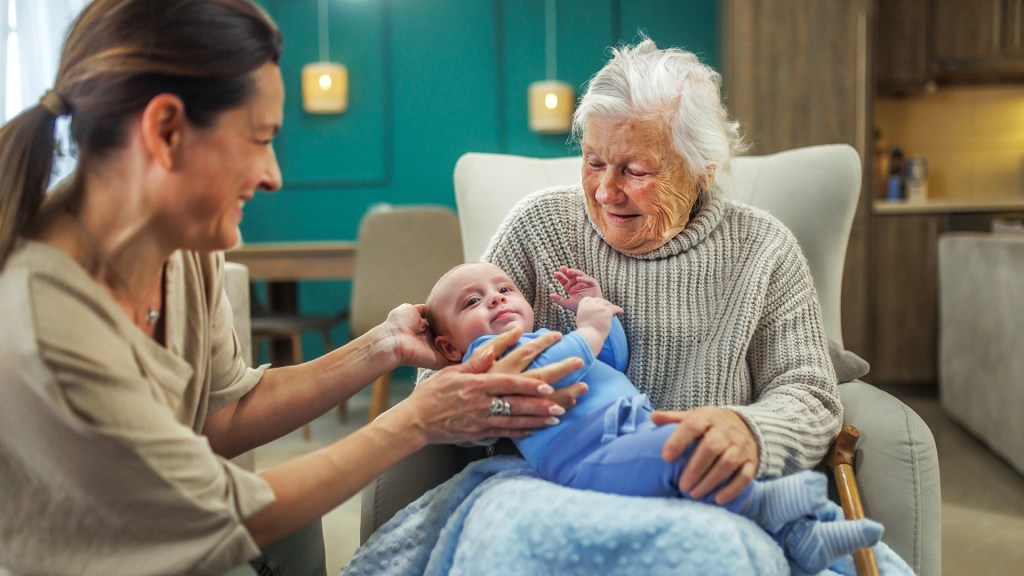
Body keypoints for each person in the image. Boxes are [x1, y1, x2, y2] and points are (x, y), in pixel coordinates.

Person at [0, 1, 585, 575]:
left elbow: (222, 416)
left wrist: (383, 346)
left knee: (301, 526)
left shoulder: (186, 248)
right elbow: (212, 515)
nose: (274, 175)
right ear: (167, 130)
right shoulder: (40, 322)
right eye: (260, 138)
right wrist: (417, 420)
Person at [485, 37, 844, 507]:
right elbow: (448, 374)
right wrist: (497, 405)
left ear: (704, 170)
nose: (606, 192)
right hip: (552, 489)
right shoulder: (537, 228)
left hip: (701, 494)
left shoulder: (764, 249)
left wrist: (749, 432)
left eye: (636, 170)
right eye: (594, 163)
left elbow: (810, 393)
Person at [425, 262, 882, 573]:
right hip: (590, 456)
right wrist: (589, 327)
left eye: (505, 290)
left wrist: (598, 311)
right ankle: (770, 510)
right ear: (448, 347)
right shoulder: (484, 358)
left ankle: (802, 533)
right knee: (680, 453)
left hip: (630, 427)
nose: (496, 301)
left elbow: (612, 359)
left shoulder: (546, 334)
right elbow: (554, 368)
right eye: (472, 302)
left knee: (706, 448)